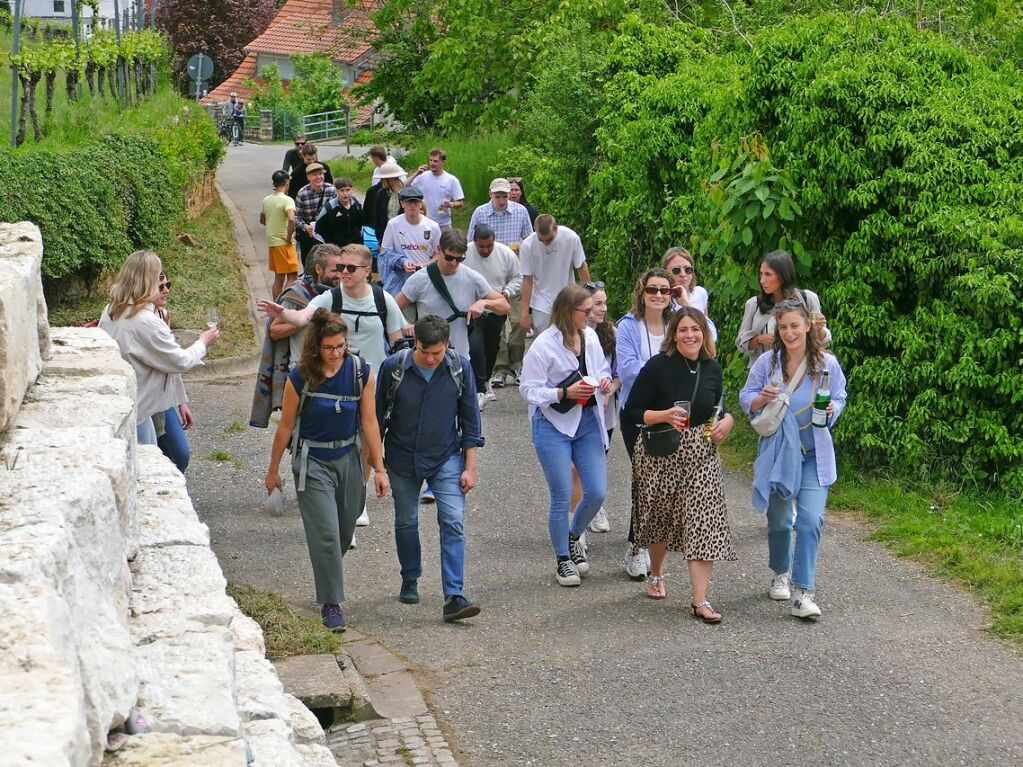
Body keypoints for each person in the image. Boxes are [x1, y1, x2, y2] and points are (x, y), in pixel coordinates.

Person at [263, 310, 388, 631]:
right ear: (316, 347)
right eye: (330, 347)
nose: (336, 353)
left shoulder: (361, 372)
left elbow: (370, 422)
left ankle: (327, 566)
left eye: (341, 346)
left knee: (345, 531)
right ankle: (331, 604)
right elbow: (285, 427)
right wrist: (273, 470)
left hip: (348, 458)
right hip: (312, 461)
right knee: (328, 536)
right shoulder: (300, 377)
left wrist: (380, 468)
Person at [623, 307, 737, 623]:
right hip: (661, 451)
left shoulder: (711, 367)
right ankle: (656, 573)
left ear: (705, 333)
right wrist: (664, 415)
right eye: (683, 329)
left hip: (701, 453)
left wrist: (727, 420)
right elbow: (632, 412)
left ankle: (700, 601)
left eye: (695, 329)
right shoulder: (658, 367)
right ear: (674, 334)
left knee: (705, 522)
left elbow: (719, 407)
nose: (690, 335)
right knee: (659, 518)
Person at [739, 301, 847, 620]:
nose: (788, 333)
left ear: (808, 326)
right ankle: (780, 571)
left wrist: (832, 411)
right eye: (782, 327)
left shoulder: (826, 364)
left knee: (811, 519)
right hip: (778, 455)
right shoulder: (767, 365)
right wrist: (762, 398)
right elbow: (747, 398)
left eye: (794, 326)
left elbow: (839, 396)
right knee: (781, 521)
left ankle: (803, 592)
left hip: (814, 454)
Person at [376, 316, 483, 622]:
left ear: (447, 344)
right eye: (425, 352)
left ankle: (454, 596)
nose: (432, 358)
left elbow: (470, 420)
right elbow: (375, 418)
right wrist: (377, 466)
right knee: (406, 521)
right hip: (401, 457)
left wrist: (470, 467)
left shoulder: (458, 367)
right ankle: (410, 577)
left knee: (452, 521)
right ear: (415, 343)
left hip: (446, 456)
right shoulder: (393, 368)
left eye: (438, 352)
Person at [520, 285, 613, 587]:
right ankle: (563, 559)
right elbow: (528, 389)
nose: (591, 315)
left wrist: (605, 383)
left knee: (597, 491)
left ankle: (573, 535)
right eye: (585, 311)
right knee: (561, 495)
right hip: (552, 424)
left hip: (586, 420)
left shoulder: (590, 337)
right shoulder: (544, 345)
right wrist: (562, 392)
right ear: (566, 312)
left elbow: (603, 370)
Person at [99, 250, 219, 447]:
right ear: (148, 281)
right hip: (138, 411)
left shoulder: (111, 309)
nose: (165, 289)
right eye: (158, 279)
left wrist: (180, 400)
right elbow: (179, 361)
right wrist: (203, 342)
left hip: (120, 405)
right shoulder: (147, 322)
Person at [397, 229, 510, 409]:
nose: (454, 263)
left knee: (458, 412)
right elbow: (394, 307)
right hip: (428, 357)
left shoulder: (471, 277)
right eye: (450, 258)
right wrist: (405, 325)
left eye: (460, 259)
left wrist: (483, 303)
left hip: (459, 358)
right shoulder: (420, 279)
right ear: (439, 250)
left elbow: (504, 305)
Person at [615, 268, 675, 579]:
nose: (659, 296)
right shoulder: (628, 326)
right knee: (645, 480)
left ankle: (650, 545)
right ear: (642, 292)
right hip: (636, 415)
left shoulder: (676, 324)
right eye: (653, 290)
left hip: (670, 416)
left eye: (665, 291)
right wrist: (666, 374)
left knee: (663, 485)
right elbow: (626, 370)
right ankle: (636, 548)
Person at [250, 245, 341, 429]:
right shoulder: (297, 294)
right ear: (318, 269)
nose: (339, 274)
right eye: (334, 270)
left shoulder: (334, 293)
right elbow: (274, 331)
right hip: (302, 371)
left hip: (332, 369)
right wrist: (306, 319)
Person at [736, 249, 830, 368]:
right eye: (761, 274)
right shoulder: (754, 304)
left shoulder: (807, 299)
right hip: (765, 374)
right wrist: (760, 339)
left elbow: (823, 341)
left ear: (782, 276)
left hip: (803, 370)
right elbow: (741, 344)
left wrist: (818, 328)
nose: (762, 280)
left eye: (768, 274)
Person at [463, 224, 521, 403]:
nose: (485, 250)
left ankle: (486, 380)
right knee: (475, 346)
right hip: (472, 310)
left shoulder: (505, 254)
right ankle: (478, 388)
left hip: (496, 308)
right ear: (474, 242)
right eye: (481, 246)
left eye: (489, 246)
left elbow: (518, 277)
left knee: (491, 346)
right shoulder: (465, 254)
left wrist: (506, 293)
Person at [583, 280, 619, 534]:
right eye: (598, 304)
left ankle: (596, 505)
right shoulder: (572, 333)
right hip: (579, 407)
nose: (603, 308)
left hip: (605, 409)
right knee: (577, 462)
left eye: (605, 303)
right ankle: (581, 511)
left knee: (599, 458)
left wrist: (610, 389)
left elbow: (620, 374)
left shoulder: (612, 333)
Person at [519, 214, 591, 336]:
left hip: (568, 298)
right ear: (534, 230)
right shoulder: (527, 246)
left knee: (571, 338)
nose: (546, 243)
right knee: (544, 342)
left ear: (556, 228)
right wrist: (525, 314)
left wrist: (589, 298)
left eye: (549, 239)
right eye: (542, 240)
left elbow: (581, 266)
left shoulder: (571, 237)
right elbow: (527, 280)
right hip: (541, 303)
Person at [378, 187, 442, 313]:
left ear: (421, 203)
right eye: (409, 202)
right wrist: (403, 262)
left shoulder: (432, 226)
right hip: (401, 279)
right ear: (402, 204)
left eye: (416, 202)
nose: (413, 205)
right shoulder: (393, 224)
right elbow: (384, 253)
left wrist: (424, 265)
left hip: (426, 276)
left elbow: (439, 254)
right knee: (404, 316)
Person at [662, 246, 717, 341]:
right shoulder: (662, 299)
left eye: (687, 269)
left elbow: (711, 336)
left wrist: (687, 305)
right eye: (676, 270)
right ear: (665, 272)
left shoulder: (700, 293)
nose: (683, 274)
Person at [259, 169, 299, 299]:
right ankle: (284, 304)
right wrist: (288, 237)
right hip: (284, 244)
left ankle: (276, 305)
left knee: (279, 277)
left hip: (273, 243)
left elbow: (262, 219)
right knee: (292, 276)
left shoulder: (266, 200)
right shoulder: (288, 200)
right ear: (287, 182)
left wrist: (273, 226)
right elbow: (292, 219)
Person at [407, 148, 465, 231]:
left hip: (443, 224)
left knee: (447, 244)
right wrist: (416, 173)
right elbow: (405, 187)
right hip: (424, 222)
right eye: (430, 160)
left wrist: (451, 204)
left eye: (435, 161)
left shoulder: (451, 180)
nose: (432, 163)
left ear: (443, 162)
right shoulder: (422, 176)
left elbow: (460, 203)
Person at [466, 178, 532, 246]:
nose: (501, 201)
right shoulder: (480, 213)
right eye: (497, 197)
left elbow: (529, 239)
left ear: (509, 194)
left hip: (513, 255)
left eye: (505, 197)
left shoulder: (521, 211)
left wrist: (521, 245)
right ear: (490, 194)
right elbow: (470, 241)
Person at [294, 163, 337, 264]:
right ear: (308, 177)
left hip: (326, 233)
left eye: (320, 174)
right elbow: (296, 218)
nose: (319, 177)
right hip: (309, 234)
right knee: (309, 263)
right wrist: (305, 227)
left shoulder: (331, 190)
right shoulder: (302, 193)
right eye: (315, 175)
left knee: (328, 263)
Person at [363, 161, 405, 249]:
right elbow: (377, 218)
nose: (381, 181)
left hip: (404, 238)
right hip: (385, 239)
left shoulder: (407, 193)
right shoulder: (381, 193)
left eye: (383, 179)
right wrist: (380, 240)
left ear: (391, 179)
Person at [315, 176, 364, 249]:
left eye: (348, 190)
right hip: (336, 249)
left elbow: (361, 223)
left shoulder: (357, 204)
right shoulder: (329, 208)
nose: (345, 193)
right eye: (342, 190)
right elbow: (318, 229)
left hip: (355, 247)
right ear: (337, 191)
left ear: (352, 190)